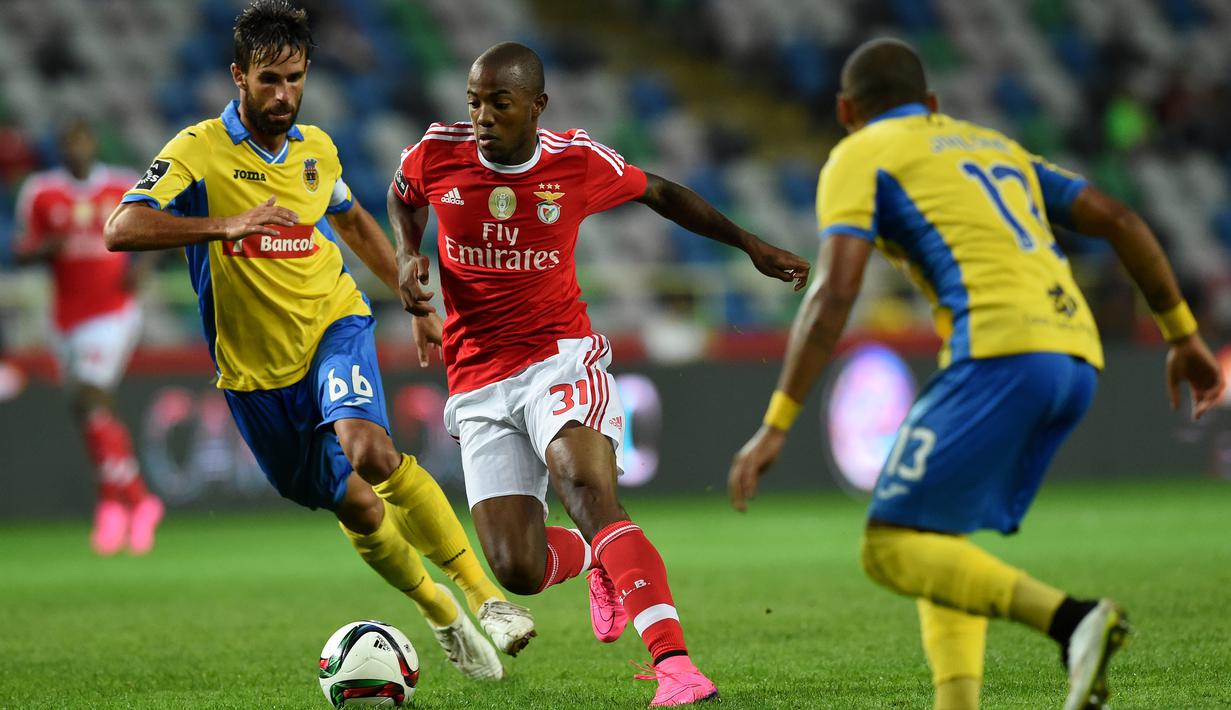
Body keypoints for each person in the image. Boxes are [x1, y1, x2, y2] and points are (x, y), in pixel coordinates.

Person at [728, 38, 1226, 710]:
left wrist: (775, 422)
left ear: (846, 109)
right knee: (935, 539)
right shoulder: (992, 147)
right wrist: (1182, 336)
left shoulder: (859, 154)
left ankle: (1073, 620)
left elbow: (834, 292)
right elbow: (1119, 217)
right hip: (1074, 355)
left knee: (889, 549)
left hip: (1000, 351)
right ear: (931, 105)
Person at [103, 0, 533, 681]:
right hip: (253, 375)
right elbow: (121, 228)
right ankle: (439, 610)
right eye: (269, 80)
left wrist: (411, 299)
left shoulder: (315, 149)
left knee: (370, 451)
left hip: (334, 324)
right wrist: (224, 225)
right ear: (237, 77)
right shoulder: (197, 150)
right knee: (356, 506)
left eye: (295, 79)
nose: (284, 95)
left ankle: (488, 600)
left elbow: (355, 221)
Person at [389, 41, 810, 707]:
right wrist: (406, 254)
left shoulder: (575, 161)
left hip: (559, 357)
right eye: (474, 101)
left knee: (584, 487)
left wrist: (749, 245)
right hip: (475, 380)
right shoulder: (436, 151)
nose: (482, 116)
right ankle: (597, 559)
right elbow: (403, 195)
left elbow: (664, 193)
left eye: (499, 103)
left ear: (536, 106)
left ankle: (674, 665)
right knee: (517, 569)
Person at [14, 120, 163, 555]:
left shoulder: (119, 186)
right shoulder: (41, 192)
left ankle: (136, 499)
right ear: (60, 148)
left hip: (113, 312)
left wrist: (142, 269)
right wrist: (47, 248)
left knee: (91, 393)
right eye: (68, 142)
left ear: (93, 144)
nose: (76, 149)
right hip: (64, 316)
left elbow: (158, 229)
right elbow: (22, 250)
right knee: (87, 411)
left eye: (82, 141)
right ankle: (117, 501)